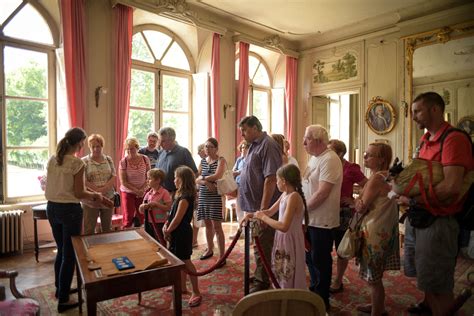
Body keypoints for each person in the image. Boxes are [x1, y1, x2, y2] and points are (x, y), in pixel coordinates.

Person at [397, 92, 473, 316]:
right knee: (425, 273)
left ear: (435, 110)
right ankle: (428, 306)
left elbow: (451, 186)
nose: (413, 117)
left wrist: (412, 198)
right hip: (420, 216)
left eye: (417, 111)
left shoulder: (453, 139)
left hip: (439, 220)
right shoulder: (425, 139)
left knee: (438, 281)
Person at [45, 127, 112, 313]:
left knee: (61, 251)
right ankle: (64, 300)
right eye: (84, 142)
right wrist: (98, 196)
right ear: (81, 143)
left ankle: (61, 290)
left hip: (52, 208)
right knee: (70, 255)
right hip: (69, 211)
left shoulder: (53, 159)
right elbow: (79, 193)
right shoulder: (76, 164)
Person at [242, 164, 308, 289]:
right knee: (281, 269)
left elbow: (284, 226)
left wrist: (263, 218)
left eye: (277, 180)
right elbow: (270, 212)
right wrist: (252, 215)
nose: (276, 183)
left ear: (283, 181)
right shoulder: (285, 195)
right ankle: (282, 292)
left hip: (290, 238)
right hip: (282, 238)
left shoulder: (294, 197)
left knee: (288, 270)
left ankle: (289, 296)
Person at [238, 115, 282, 293]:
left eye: (245, 130)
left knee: (263, 244)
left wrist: (264, 211)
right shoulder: (253, 145)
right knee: (257, 243)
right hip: (253, 205)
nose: (243, 134)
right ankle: (260, 274)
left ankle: (263, 281)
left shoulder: (268, 145)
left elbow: (271, 179)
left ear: (256, 128)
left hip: (263, 207)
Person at [354, 142, 400, 315]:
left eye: (369, 155)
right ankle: (376, 306)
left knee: (373, 278)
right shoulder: (389, 176)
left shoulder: (376, 179)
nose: (365, 156)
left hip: (374, 231)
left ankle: (377, 311)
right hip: (385, 231)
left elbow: (361, 208)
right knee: (375, 276)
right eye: (365, 153)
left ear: (381, 160)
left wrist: (354, 201)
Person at [302, 124, 342, 311]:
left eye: (307, 139)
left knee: (320, 259)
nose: (304, 143)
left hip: (322, 221)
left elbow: (322, 193)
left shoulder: (330, 159)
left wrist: (301, 210)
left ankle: (322, 298)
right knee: (309, 257)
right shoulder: (314, 158)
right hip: (310, 219)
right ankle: (315, 290)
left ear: (318, 141)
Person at [327, 139, 368, 293]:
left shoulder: (351, 168)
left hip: (343, 213)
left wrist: (354, 201)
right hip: (326, 211)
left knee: (340, 249)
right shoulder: (327, 165)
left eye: (331, 151)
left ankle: (338, 280)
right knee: (324, 247)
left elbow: (368, 184)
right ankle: (326, 277)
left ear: (340, 153)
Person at [163, 166, 202, 307]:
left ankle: (196, 291)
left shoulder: (186, 197)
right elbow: (172, 215)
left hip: (182, 233)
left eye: (176, 177)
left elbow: (178, 219)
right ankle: (182, 287)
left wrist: (168, 230)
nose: (174, 180)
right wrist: (166, 224)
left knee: (186, 261)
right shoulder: (179, 194)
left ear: (183, 179)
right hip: (176, 231)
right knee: (179, 260)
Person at [196, 138, 227, 264]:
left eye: (210, 147)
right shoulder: (203, 161)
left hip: (215, 196)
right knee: (207, 225)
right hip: (203, 196)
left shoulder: (221, 160)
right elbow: (196, 179)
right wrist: (205, 181)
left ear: (216, 148)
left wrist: (204, 179)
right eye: (206, 147)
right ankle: (209, 249)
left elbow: (218, 175)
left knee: (217, 226)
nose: (207, 149)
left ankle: (222, 255)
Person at [82, 134, 117, 234]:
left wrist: (103, 190)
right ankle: (91, 250)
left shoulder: (108, 159)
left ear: (102, 146)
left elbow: (113, 176)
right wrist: (96, 192)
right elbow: (83, 180)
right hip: (90, 199)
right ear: (89, 147)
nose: (95, 149)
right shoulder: (84, 161)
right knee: (89, 228)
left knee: (107, 228)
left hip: (108, 197)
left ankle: (106, 249)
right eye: (93, 146)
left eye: (98, 146)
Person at [119, 137, 151, 228]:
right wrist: (137, 191)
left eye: (132, 148)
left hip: (143, 191)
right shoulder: (123, 162)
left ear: (137, 148)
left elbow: (149, 177)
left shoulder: (145, 159)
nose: (129, 151)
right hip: (128, 192)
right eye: (127, 149)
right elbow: (123, 181)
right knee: (128, 216)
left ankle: (143, 236)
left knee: (142, 215)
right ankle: (126, 237)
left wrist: (142, 190)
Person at [156, 127, 198, 194]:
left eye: (163, 141)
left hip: (178, 193)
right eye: (159, 140)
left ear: (172, 139)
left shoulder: (184, 152)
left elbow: (194, 174)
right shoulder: (161, 153)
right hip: (161, 193)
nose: (160, 144)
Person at [139, 168, 172, 244]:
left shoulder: (164, 193)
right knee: (150, 240)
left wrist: (156, 204)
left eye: (149, 179)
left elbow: (168, 208)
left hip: (160, 222)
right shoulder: (148, 194)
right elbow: (141, 210)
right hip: (149, 222)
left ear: (158, 180)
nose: (147, 181)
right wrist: (142, 207)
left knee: (160, 241)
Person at [192, 143, 207, 248]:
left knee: (207, 219)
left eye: (199, 150)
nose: (197, 153)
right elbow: (198, 177)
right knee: (196, 216)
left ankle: (207, 243)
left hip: (206, 193)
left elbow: (202, 178)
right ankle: (194, 240)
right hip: (198, 191)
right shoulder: (202, 162)